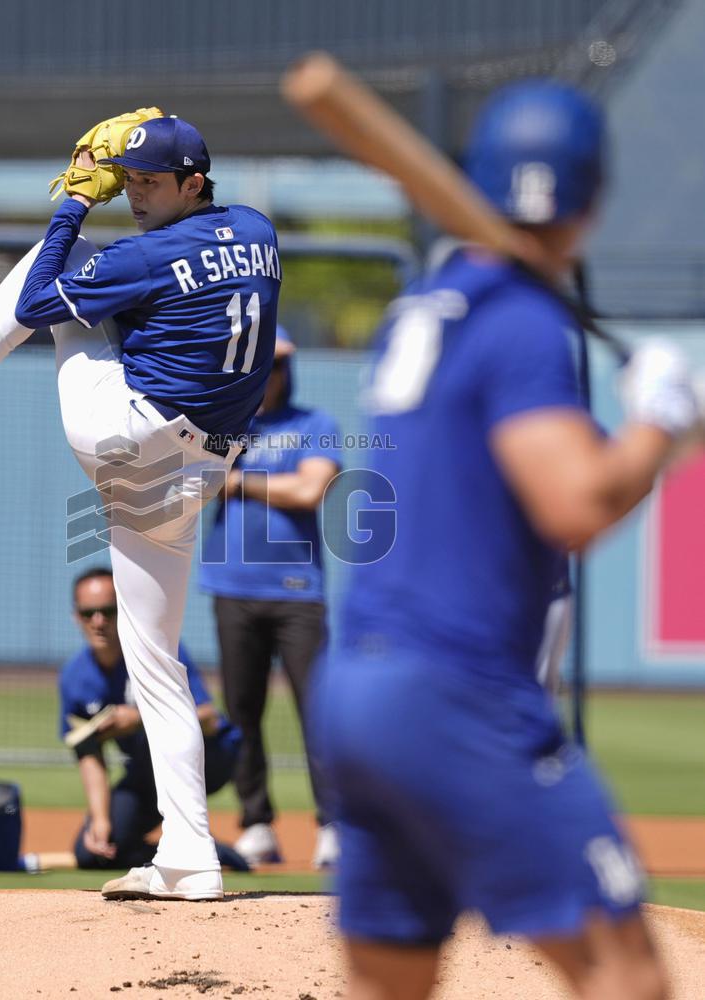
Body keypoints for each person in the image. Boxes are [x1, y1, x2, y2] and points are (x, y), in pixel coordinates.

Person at [312, 80, 701, 1000]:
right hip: (462, 694)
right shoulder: (524, 323)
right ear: (592, 201)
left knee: (391, 983)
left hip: (358, 690)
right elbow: (576, 506)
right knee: (625, 975)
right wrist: (659, 423)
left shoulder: (428, 308)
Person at [0, 112, 281, 901]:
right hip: (202, 466)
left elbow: (36, 303)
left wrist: (74, 201)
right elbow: (192, 273)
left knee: (51, 263)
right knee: (154, 661)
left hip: (128, 438)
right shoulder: (259, 230)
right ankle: (190, 856)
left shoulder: (149, 254)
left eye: (150, 181)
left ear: (194, 182)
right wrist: (143, 152)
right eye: (129, 179)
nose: (134, 192)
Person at [200, 327, 340, 868]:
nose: (271, 374)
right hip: (232, 586)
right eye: (263, 364)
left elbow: (311, 488)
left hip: (298, 590)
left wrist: (241, 481)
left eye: (279, 365)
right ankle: (256, 822)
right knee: (242, 711)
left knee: (318, 709)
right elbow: (197, 482)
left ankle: (333, 825)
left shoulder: (314, 425)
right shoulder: (224, 424)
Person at [60, 567, 242, 870]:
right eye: (88, 613)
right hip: (147, 773)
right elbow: (87, 751)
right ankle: (206, 853)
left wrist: (139, 718)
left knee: (166, 753)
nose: (99, 621)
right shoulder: (74, 677)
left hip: (208, 757)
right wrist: (101, 819)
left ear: (124, 611)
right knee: (92, 853)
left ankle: (200, 844)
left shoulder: (157, 650)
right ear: (76, 616)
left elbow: (209, 719)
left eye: (109, 611)